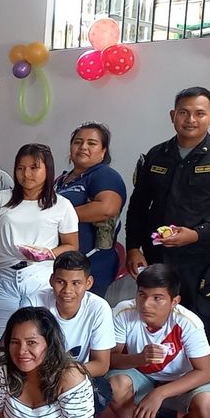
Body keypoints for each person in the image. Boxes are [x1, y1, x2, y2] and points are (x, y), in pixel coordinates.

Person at [126, 86, 210, 418]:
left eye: (199, 113)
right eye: (183, 112)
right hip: (158, 263)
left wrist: (198, 233)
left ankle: (202, 409)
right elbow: (138, 207)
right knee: (156, 328)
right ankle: (162, 401)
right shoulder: (156, 156)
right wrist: (134, 246)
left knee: (206, 330)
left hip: (204, 265)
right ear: (173, 116)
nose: (191, 119)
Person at [106, 264, 210, 418]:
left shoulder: (188, 322)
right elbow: (110, 360)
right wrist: (139, 358)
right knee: (114, 385)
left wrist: (160, 393)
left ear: (174, 301)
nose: (145, 304)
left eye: (157, 298)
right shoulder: (123, 312)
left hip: (180, 381)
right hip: (140, 376)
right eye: (141, 295)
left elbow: (205, 372)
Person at [0, 143, 79, 342]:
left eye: (33, 167)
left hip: (39, 277)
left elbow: (72, 246)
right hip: (3, 277)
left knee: (36, 338)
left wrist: (47, 253)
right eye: (20, 168)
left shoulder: (61, 205)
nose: (26, 174)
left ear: (48, 169)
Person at [54, 122, 127, 295]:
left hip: (91, 264)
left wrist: (58, 217)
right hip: (61, 264)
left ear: (103, 152)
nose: (83, 147)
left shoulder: (104, 175)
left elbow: (106, 208)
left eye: (92, 143)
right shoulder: (61, 179)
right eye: (78, 142)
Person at [34, 252, 116, 379]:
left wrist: (62, 375)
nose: (67, 290)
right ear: (51, 280)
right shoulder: (33, 303)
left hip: (75, 378)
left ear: (88, 283)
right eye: (61, 282)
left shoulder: (99, 308)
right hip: (36, 375)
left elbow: (101, 365)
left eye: (76, 283)